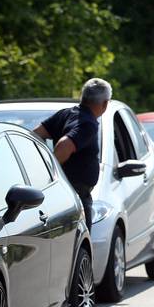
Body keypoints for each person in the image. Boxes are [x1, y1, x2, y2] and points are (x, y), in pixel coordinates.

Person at [34, 78, 111, 229]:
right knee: (81, 240)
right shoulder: (88, 124)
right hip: (74, 196)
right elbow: (65, 145)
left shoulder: (65, 114)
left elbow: (36, 134)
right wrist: (50, 173)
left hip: (64, 193)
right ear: (105, 103)